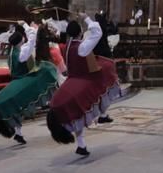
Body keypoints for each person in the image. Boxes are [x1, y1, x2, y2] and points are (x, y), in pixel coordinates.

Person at [46, 14, 121, 157]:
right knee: (105, 79)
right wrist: (86, 18)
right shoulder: (82, 47)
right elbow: (98, 32)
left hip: (72, 79)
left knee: (78, 115)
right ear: (80, 32)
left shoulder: (67, 46)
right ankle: (102, 113)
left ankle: (82, 144)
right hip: (83, 80)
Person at [0, 27, 61, 145]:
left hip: (15, 79)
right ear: (20, 40)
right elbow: (31, 41)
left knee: (19, 108)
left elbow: (29, 42)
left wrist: (26, 26)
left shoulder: (12, 51)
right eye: (22, 38)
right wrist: (29, 29)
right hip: (23, 79)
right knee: (47, 71)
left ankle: (19, 133)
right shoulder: (21, 53)